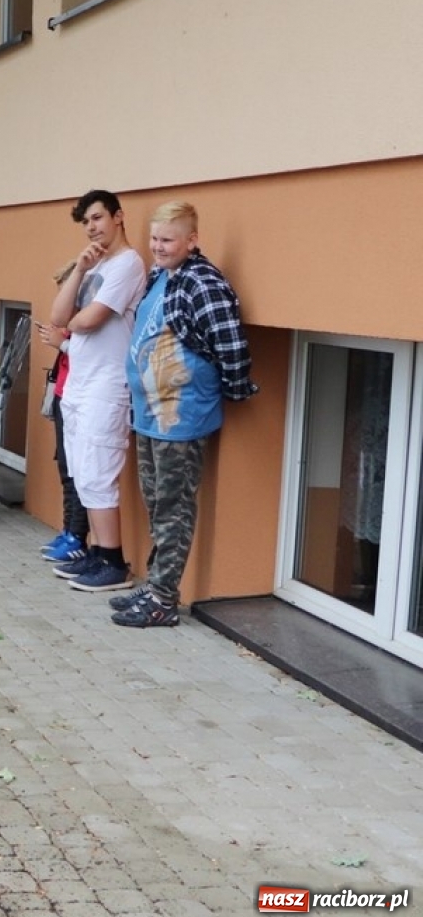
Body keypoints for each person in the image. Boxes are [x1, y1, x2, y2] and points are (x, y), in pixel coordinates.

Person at [110, 201, 256, 627]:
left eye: (167, 240)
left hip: (182, 417)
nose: (158, 247)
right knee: (157, 502)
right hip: (150, 415)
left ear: (192, 240)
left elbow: (232, 347)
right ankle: (156, 581)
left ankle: (162, 599)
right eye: (154, 238)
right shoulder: (161, 276)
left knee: (173, 506)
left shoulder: (203, 283)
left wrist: (233, 390)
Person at [48, 189, 147, 592]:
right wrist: (77, 271)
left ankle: (113, 561)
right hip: (80, 382)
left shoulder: (129, 264)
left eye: (97, 218)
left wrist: (71, 320)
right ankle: (96, 551)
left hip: (107, 384)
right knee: (83, 472)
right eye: (86, 222)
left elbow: (84, 321)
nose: (92, 227)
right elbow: (58, 317)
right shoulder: (93, 265)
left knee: (99, 470)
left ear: (118, 216)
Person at [37, 261, 91, 565]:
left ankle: (77, 537)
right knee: (65, 468)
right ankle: (68, 528)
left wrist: (64, 344)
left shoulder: (88, 326)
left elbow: (93, 361)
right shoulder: (71, 327)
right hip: (62, 397)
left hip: (79, 399)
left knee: (77, 471)